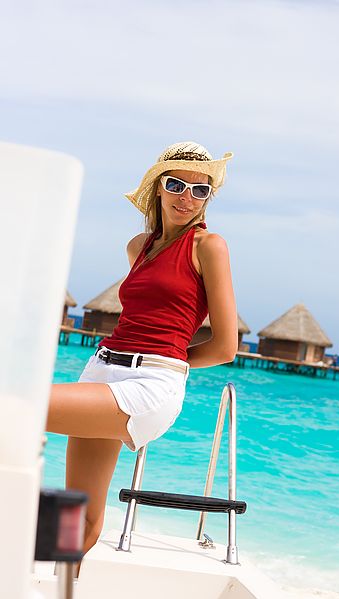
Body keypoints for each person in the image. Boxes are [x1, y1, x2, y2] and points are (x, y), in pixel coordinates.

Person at [45, 141, 238, 569]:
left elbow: (226, 346)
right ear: (158, 188)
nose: (187, 197)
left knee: (22, 407)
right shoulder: (138, 246)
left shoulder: (209, 246)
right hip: (100, 370)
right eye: (177, 185)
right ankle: (61, 587)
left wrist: (167, 359)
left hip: (150, 383)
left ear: (209, 198)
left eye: (200, 190)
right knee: (81, 517)